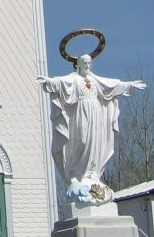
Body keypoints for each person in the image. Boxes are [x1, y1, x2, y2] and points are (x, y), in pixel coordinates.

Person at [38, 52, 146, 203]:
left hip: (95, 113)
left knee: (95, 142)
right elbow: (61, 82)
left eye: (89, 63)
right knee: (82, 140)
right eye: (85, 63)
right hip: (81, 111)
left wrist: (129, 85)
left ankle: (91, 173)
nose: (87, 66)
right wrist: (49, 81)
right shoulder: (74, 79)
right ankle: (78, 174)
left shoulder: (95, 80)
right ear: (78, 65)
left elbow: (111, 85)